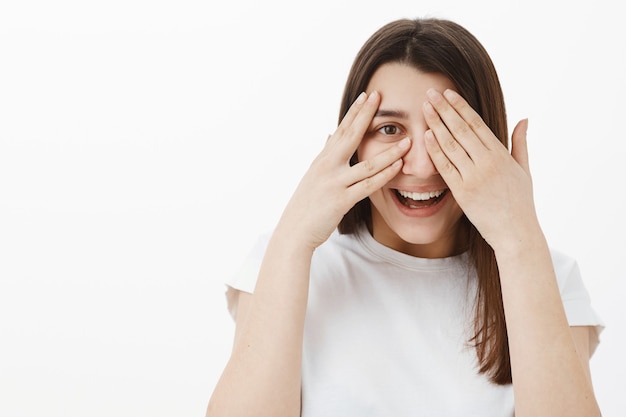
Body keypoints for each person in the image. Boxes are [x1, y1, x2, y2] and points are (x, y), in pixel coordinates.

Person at [206, 17, 604, 417]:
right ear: (352, 141)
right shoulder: (285, 260)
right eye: (391, 128)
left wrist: (520, 239)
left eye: (447, 129)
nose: (420, 164)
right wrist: (293, 237)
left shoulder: (547, 274)